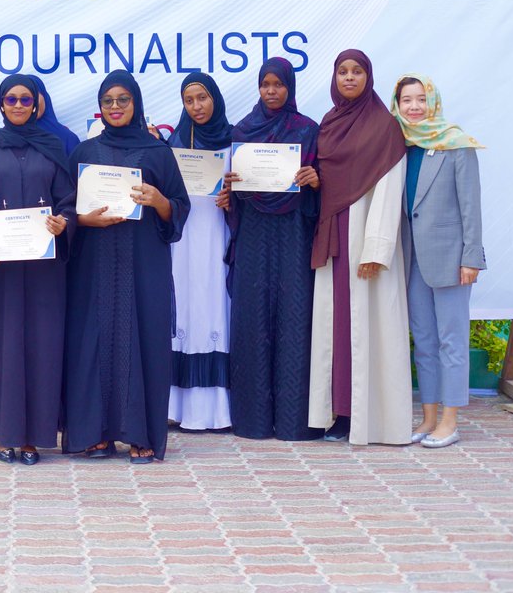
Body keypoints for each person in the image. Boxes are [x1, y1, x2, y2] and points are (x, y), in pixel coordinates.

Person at [63, 70, 190, 463]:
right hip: (93, 264)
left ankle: (142, 433)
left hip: (143, 263)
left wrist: (158, 200)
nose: (115, 107)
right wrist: (86, 220)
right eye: (108, 101)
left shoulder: (157, 152)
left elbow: (179, 209)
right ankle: (95, 432)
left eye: (122, 99)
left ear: (135, 103)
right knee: (92, 341)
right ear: (99, 108)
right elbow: (66, 209)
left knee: (144, 338)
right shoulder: (84, 153)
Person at [0, 74, 74, 466]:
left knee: (40, 347)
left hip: (42, 273)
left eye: (27, 99)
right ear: (1, 104)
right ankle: (2, 435)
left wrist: (64, 223)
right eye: (12, 99)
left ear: (38, 103)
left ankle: (33, 437)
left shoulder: (53, 147)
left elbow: (68, 202)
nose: (19, 105)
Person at [308, 49, 410, 446]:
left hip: (363, 241)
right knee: (336, 331)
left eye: (357, 72)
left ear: (368, 77)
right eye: (342, 72)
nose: (349, 78)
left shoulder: (384, 126)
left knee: (363, 329)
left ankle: (362, 417)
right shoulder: (329, 124)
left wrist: (376, 249)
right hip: (333, 237)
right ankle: (334, 413)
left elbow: (388, 190)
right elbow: (327, 180)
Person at [219, 58, 323, 441]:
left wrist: (314, 181)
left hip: (294, 232)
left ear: (290, 87)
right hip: (255, 235)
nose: (272, 91)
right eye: (265, 84)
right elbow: (234, 197)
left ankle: (295, 421)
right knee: (253, 318)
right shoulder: (243, 130)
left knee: (294, 318)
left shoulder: (308, 130)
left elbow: (322, 190)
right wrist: (230, 189)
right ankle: (253, 421)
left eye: (279, 84)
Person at [392, 75, 485, 448]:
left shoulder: (456, 144)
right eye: (406, 100)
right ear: (396, 105)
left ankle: (450, 419)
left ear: (433, 102)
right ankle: (428, 416)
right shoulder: (401, 147)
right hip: (413, 259)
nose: (414, 107)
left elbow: (471, 207)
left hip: (451, 260)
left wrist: (471, 257)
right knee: (424, 340)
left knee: (451, 340)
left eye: (420, 99)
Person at [166, 72, 233, 431]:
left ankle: (218, 410)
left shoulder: (235, 139)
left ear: (215, 99)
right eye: (189, 100)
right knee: (186, 311)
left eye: (202, 98)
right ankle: (179, 408)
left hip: (217, 235)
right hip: (184, 239)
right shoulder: (174, 141)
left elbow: (251, 189)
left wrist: (233, 197)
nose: (197, 106)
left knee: (215, 310)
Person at [28, 75, 82, 154]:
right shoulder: (7, 138)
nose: (30, 103)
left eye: (34, 95)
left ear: (45, 98)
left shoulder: (67, 138)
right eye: (25, 99)